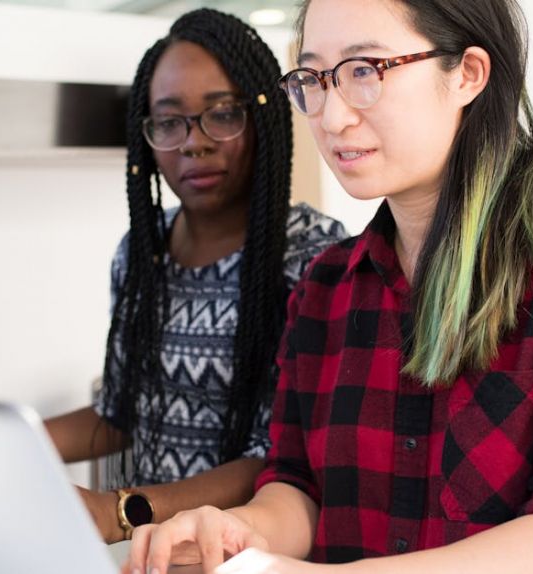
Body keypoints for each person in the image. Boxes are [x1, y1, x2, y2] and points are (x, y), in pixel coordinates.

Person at [122, 1, 533, 573]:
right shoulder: (326, 287)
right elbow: (298, 487)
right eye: (314, 79)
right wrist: (241, 532)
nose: (331, 117)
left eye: (364, 71)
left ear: (467, 74)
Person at [44, 8, 348, 545]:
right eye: (169, 121)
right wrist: (4, 445)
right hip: (152, 551)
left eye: (222, 114)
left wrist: (121, 512)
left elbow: (281, 457)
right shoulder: (142, 253)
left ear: (262, 119)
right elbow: (120, 411)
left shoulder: (313, 258)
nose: (194, 142)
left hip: (247, 552)